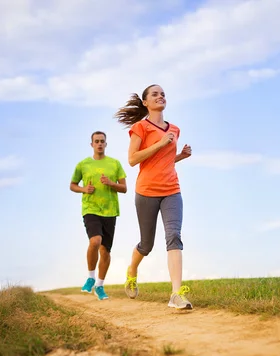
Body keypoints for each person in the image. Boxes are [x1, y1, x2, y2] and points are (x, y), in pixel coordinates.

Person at [114, 84, 194, 310]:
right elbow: (133, 159)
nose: (160, 96)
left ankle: (176, 294)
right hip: (147, 191)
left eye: (163, 94)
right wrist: (161, 143)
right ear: (145, 102)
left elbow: (164, 161)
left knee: (174, 237)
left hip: (172, 190)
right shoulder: (140, 127)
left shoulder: (175, 129)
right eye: (155, 94)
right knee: (146, 245)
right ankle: (132, 270)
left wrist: (180, 156)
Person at [70, 131, 127, 300]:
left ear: (106, 144)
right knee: (95, 241)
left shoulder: (115, 164)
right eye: (96, 141)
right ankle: (90, 277)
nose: (99, 144)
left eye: (102, 141)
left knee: (106, 252)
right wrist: (83, 189)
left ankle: (100, 286)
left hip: (110, 211)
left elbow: (124, 188)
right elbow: (72, 185)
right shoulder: (83, 164)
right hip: (91, 208)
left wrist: (110, 183)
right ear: (92, 144)